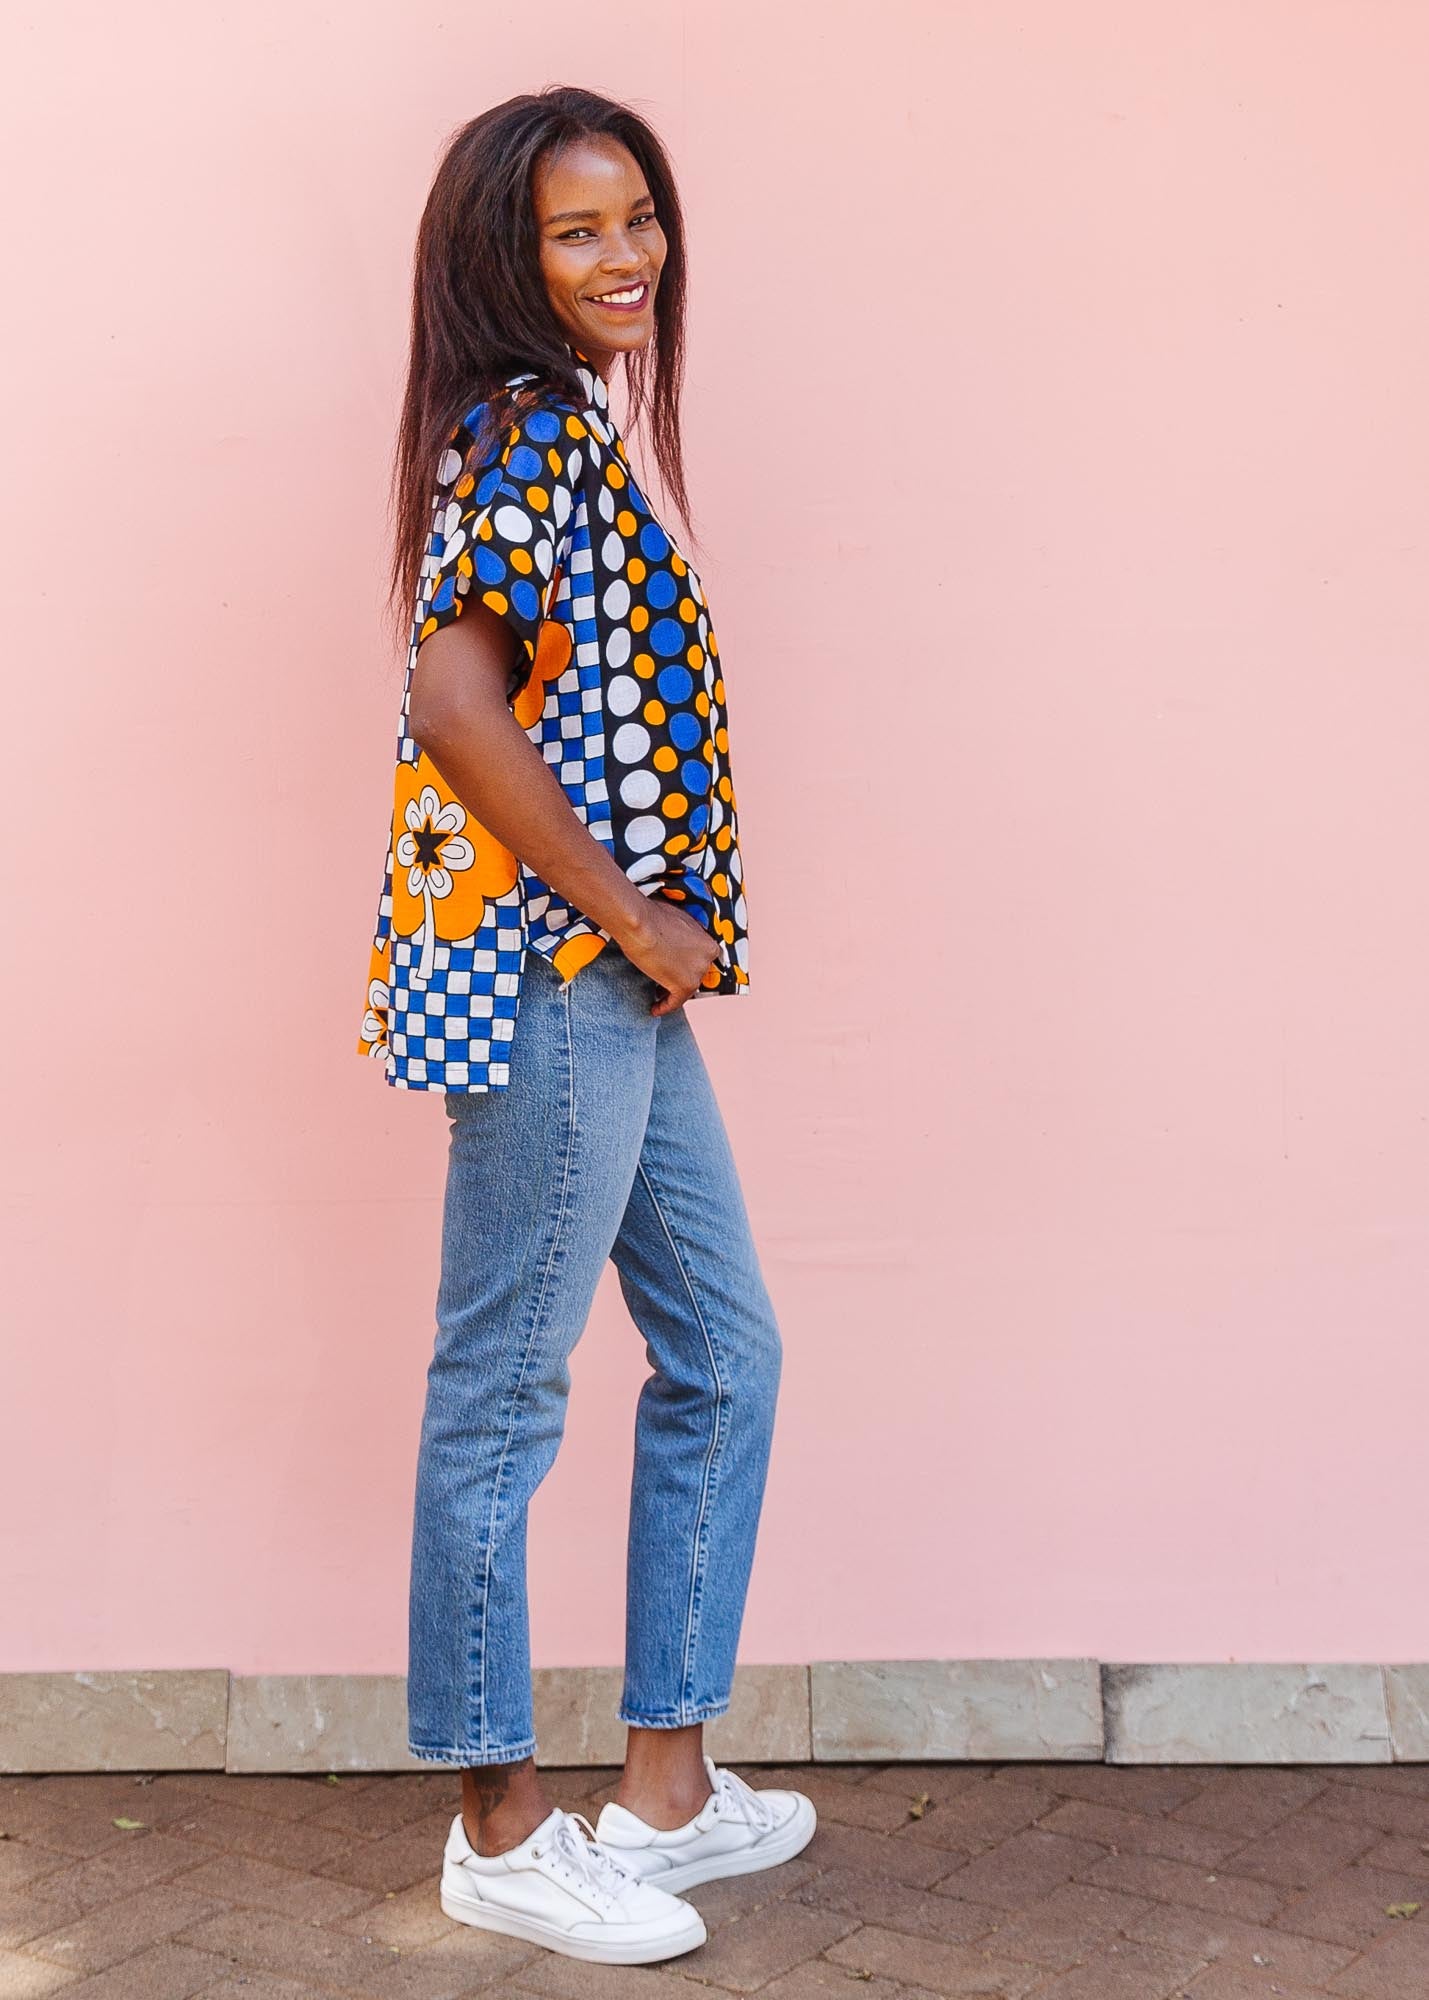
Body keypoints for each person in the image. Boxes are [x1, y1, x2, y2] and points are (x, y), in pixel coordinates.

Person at [355, 85, 814, 1966]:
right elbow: (457, 699)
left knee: (724, 1352)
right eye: (578, 231)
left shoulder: (577, 437)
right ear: (505, 261)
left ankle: (669, 1793)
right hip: (557, 977)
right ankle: (493, 1823)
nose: (627, 255)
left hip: (613, 984)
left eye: (640, 218)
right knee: (505, 1395)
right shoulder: (523, 437)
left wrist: (647, 936)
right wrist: (627, 908)